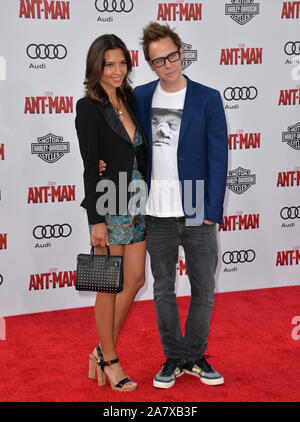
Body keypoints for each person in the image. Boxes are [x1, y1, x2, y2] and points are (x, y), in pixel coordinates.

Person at [100, 22, 228, 390]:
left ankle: (195, 355)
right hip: (154, 209)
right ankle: (173, 356)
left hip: (195, 206)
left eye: (172, 55)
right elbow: (119, 134)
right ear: (150, 64)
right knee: (162, 289)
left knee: (204, 288)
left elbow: (218, 158)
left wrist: (210, 209)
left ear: (181, 52)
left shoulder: (207, 97)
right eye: (158, 60)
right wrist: (102, 163)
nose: (168, 64)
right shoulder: (139, 96)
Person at [75, 34, 148, 392]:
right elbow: (91, 165)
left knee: (135, 279)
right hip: (109, 202)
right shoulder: (88, 107)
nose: (117, 71)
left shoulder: (132, 99)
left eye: (122, 63)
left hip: (138, 200)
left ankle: (101, 350)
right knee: (109, 285)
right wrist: (95, 220)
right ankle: (110, 358)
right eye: (109, 64)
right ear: (97, 67)